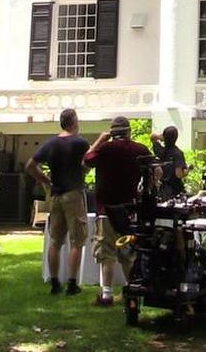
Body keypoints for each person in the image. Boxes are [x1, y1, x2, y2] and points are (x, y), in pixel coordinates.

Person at [82, 116, 152, 307]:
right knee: (128, 252)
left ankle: (106, 295)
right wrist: (144, 188)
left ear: (112, 133)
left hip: (106, 208)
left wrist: (100, 140)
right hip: (129, 209)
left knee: (107, 253)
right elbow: (156, 171)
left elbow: (87, 160)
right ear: (129, 131)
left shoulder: (105, 149)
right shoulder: (140, 149)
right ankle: (132, 290)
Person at [25, 108, 90, 296]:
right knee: (77, 241)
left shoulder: (50, 144)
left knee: (55, 241)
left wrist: (45, 180)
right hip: (73, 194)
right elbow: (88, 162)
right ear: (73, 121)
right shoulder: (80, 143)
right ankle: (71, 284)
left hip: (55, 195)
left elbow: (31, 165)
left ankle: (54, 283)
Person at [150, 126, 188, 200]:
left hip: (162, 189)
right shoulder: (178, 153)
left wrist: (160, 137)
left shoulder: (159, 151)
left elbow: (152, 137)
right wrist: (186, 172)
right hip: (174, 190)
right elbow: (179, 174)